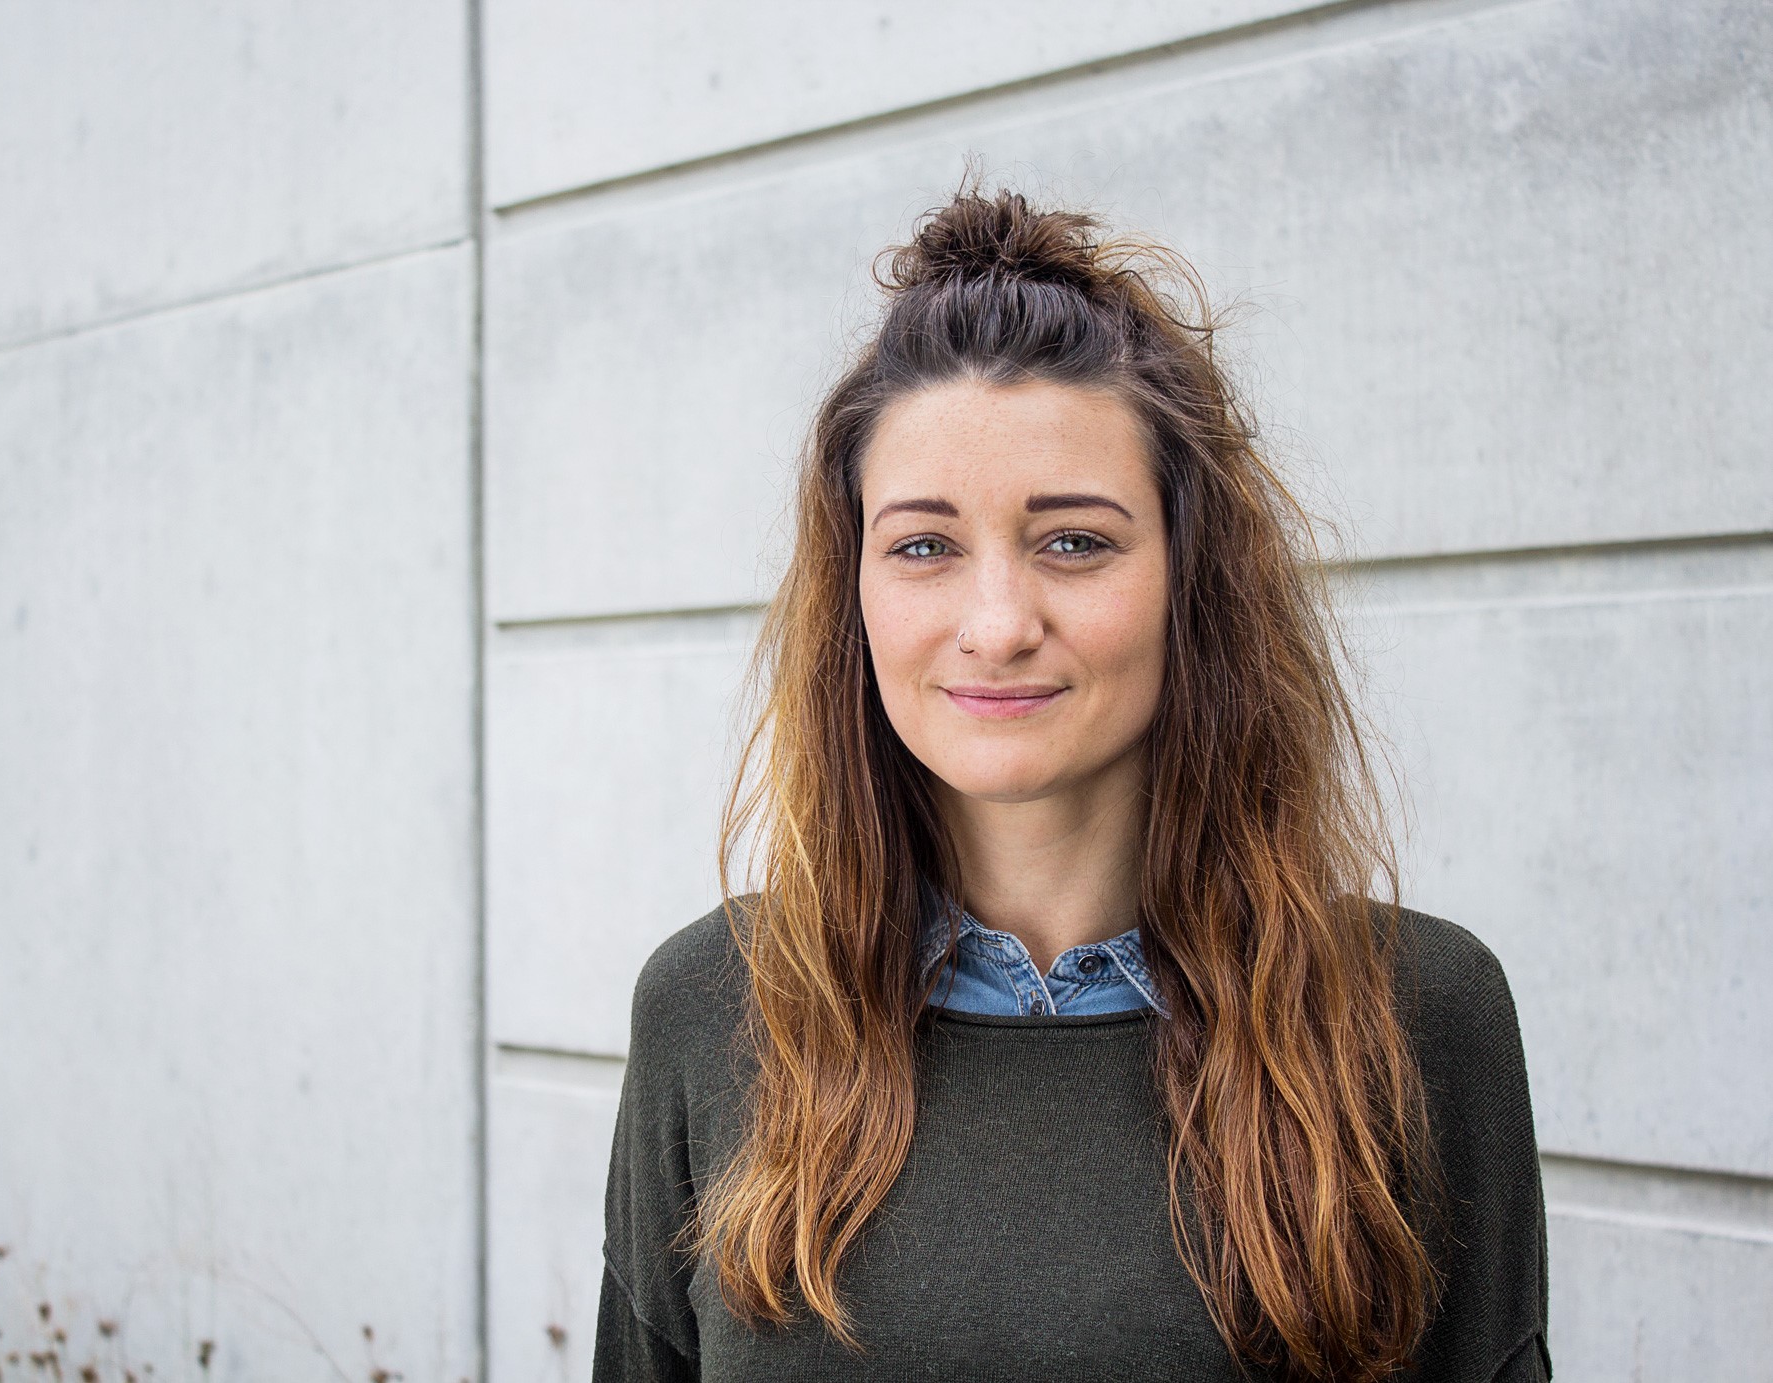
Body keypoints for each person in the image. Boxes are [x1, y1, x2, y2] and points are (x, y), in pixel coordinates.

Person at [593, 188, 1549, 1382]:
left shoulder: (1415, 1015)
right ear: (858, 597)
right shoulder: (713, 1005)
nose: (996, 626)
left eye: (1074, 541)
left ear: (1188, 582)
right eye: (924, 547)